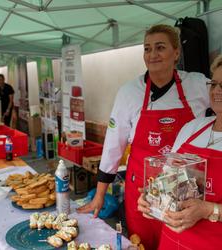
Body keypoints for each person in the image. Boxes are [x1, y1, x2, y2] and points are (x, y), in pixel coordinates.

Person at [77, 24, 210, 250]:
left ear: (176, 53)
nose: (152, 54)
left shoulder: (198, 84)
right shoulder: (129, 92)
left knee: (182, 243)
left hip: (185, 192)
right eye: (147, 49)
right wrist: (99, 195)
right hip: (143, 193)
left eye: (160, 47)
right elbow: (112, 147)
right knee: (142, 244)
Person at [137, 53, 222, 250]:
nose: (217, 90)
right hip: (174, 243)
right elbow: (166, 182)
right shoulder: (191, 129)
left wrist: (208, 210)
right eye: (214, 84)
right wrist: (152, 199)